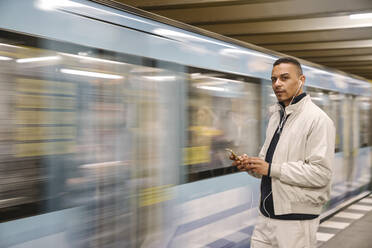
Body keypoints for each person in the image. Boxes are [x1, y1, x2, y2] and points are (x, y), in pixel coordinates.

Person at [231, 57, 335, 248]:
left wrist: (270, 169)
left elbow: (321, 174)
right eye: (273, 79)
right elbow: (267, 165)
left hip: (296, 221)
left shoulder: (318, 120)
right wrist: (252, 166)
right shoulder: (276, 118)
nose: (277, 84)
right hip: (266, 216)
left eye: (284, 78)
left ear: (301, 80)